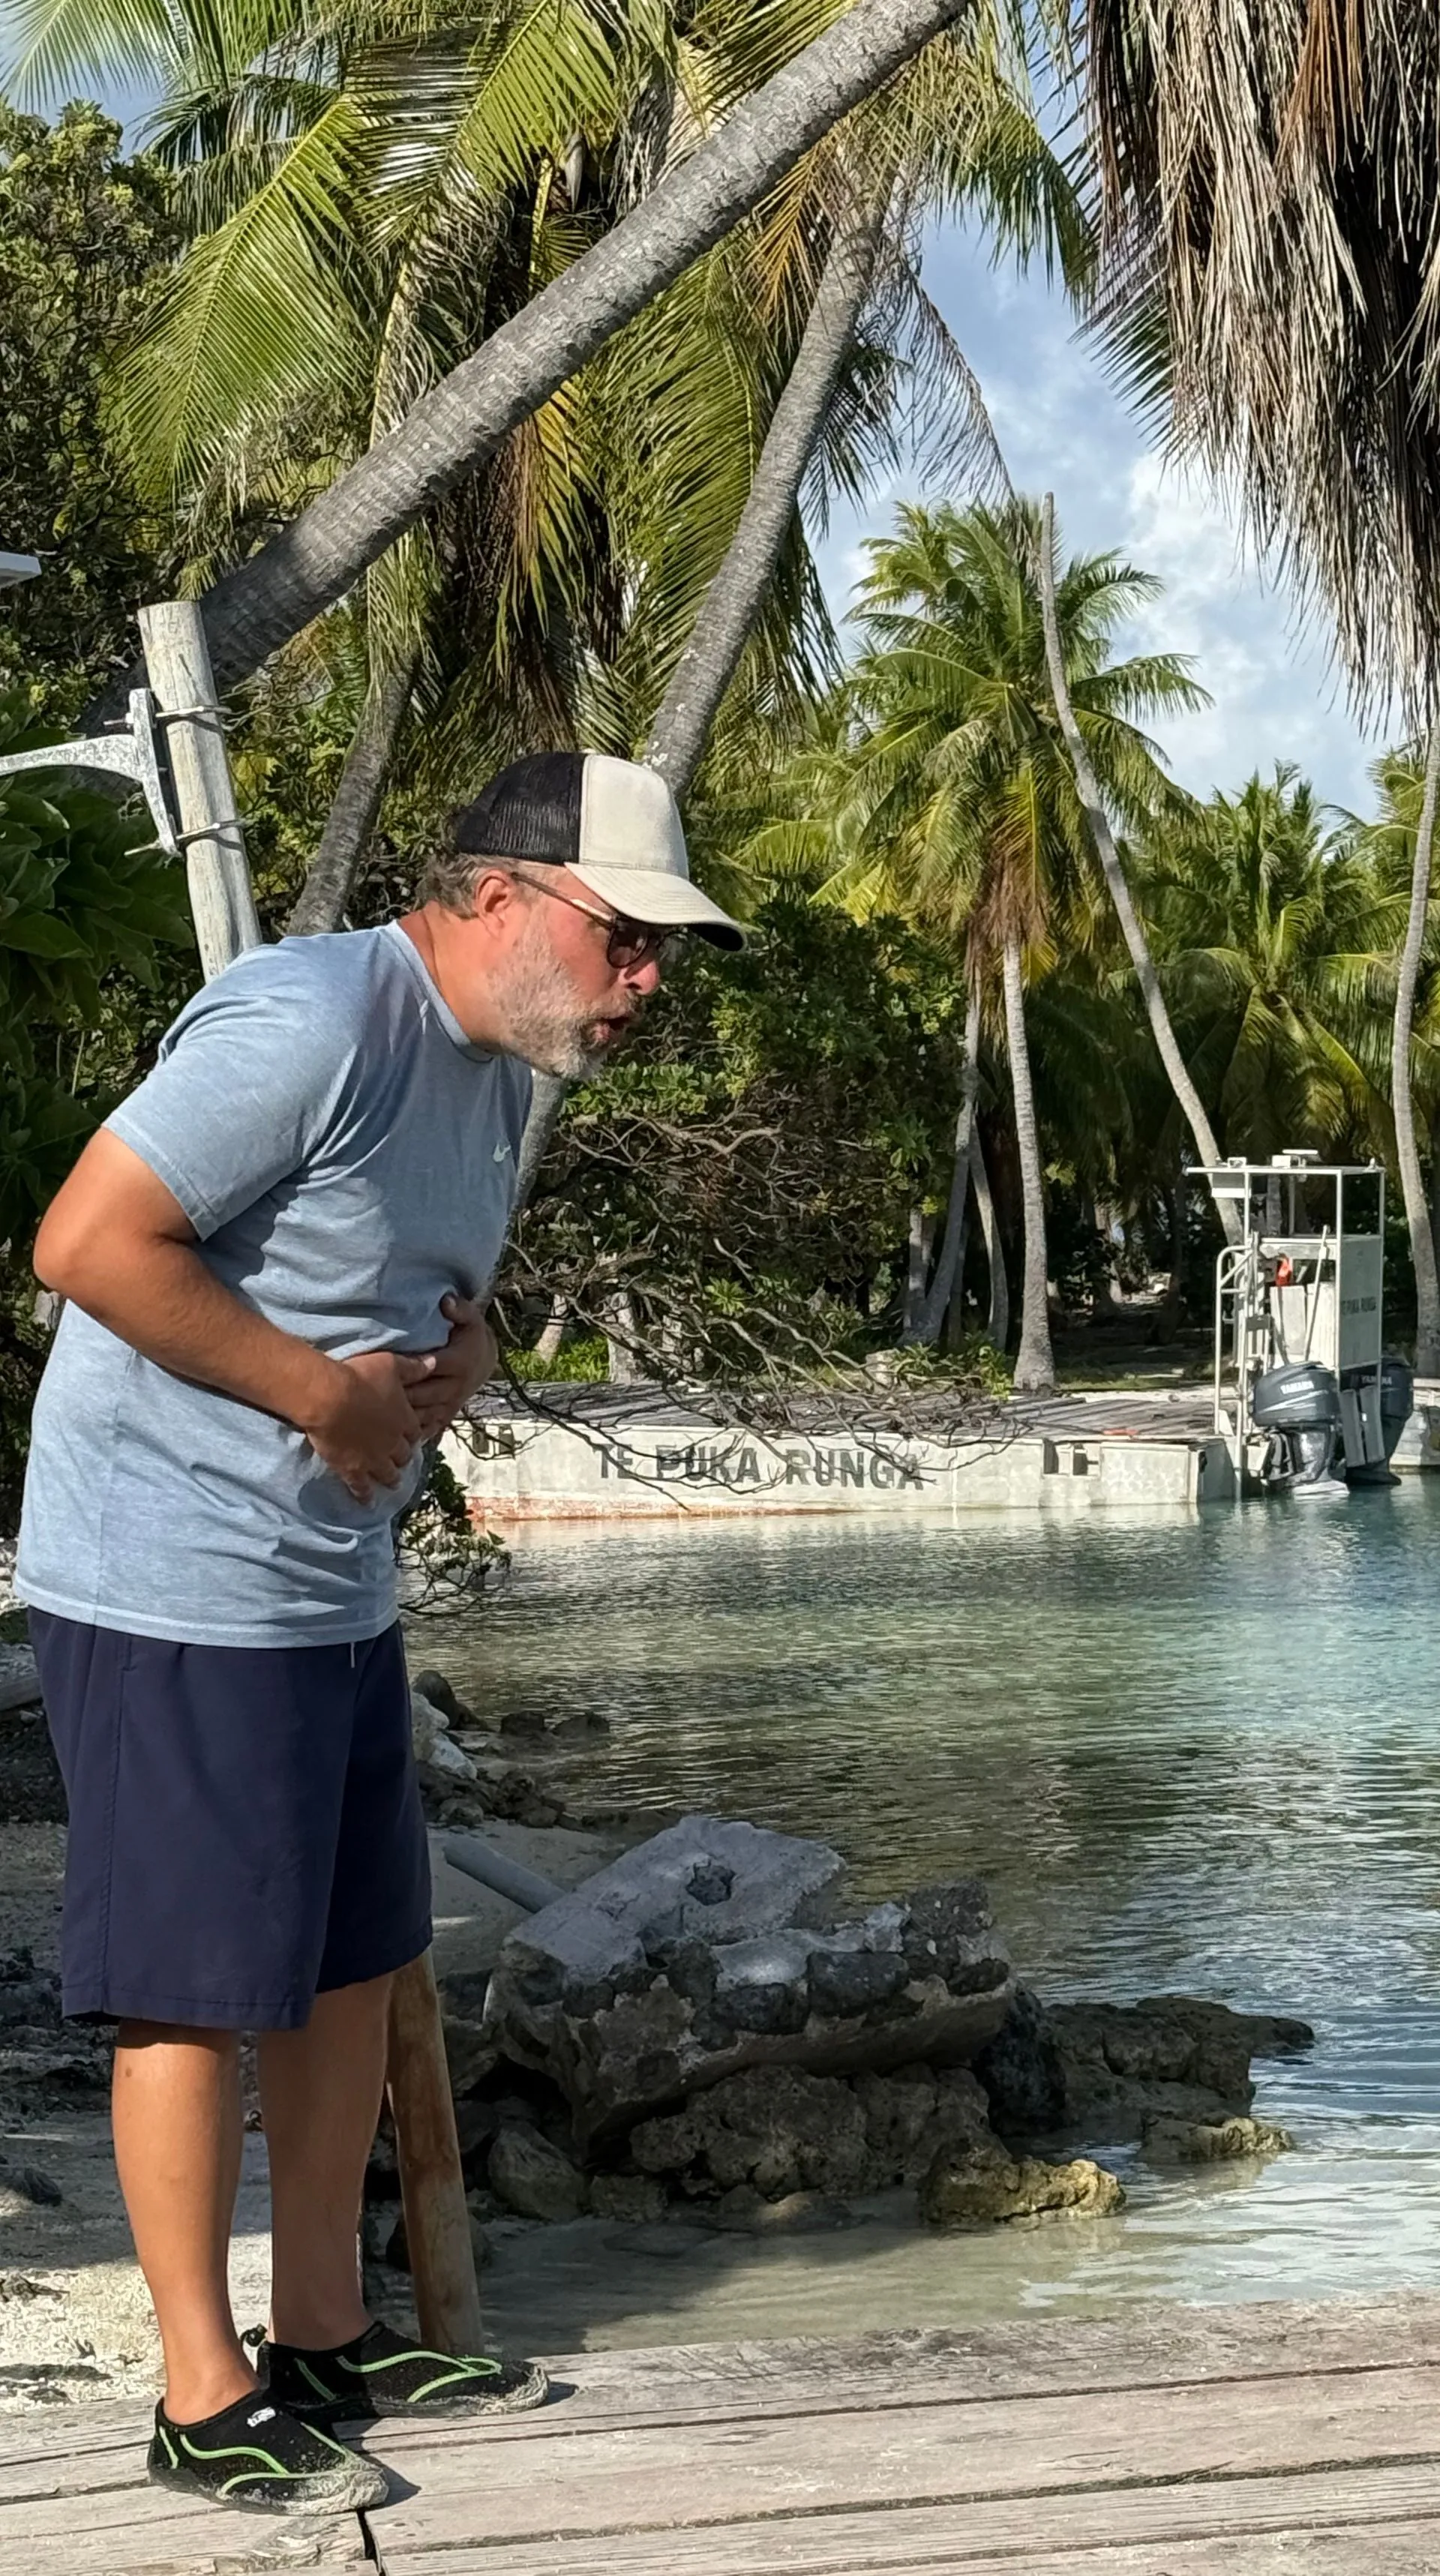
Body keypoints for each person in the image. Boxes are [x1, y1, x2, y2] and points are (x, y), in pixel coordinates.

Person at [15, 749, 744, 2512]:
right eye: (624, 938)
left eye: (666, 952)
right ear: (497, 895)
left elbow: (415, 1284)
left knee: (354, 1959)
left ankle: (327, 2333)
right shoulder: (313, 1019)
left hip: (326, 1580)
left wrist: (463, 1358)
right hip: (173, 1571)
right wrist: (320, 1405)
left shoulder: (503, 1065)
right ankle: (201, 2393)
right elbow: (87, 1241)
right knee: (188, 1992)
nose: (647, 979)